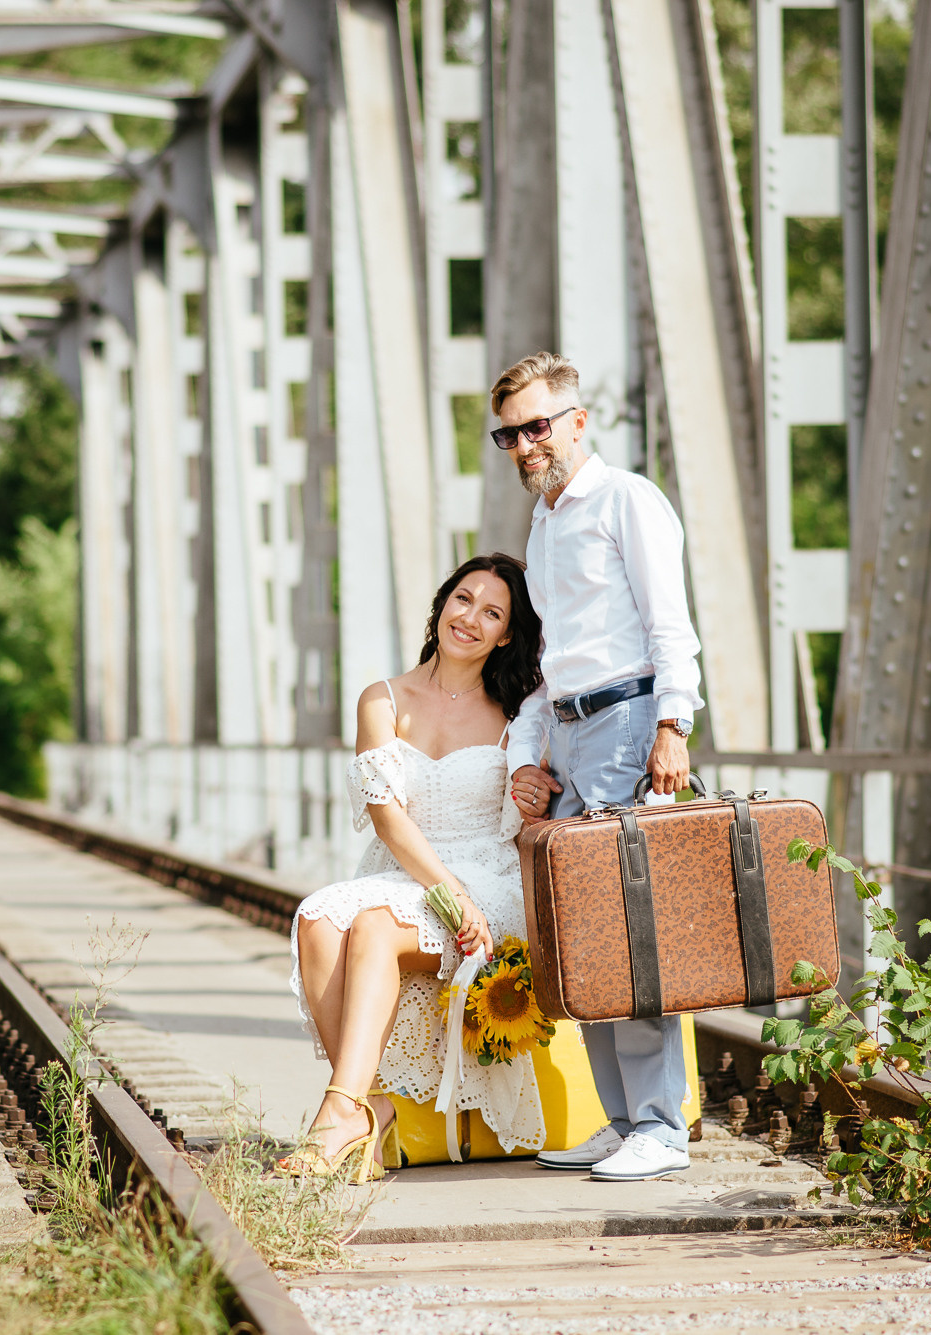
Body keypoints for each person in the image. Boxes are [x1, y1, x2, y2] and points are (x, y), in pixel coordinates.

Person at [496, 350, 707, 1182]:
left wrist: (672, 723)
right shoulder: (545, 523)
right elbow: (553, 658)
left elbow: (669, 623)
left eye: (537, 426)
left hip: (627, 720)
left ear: (577, 422)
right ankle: (620, 1121)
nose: (524, 444)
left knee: (631, 929)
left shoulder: (627, 500)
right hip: (575, 731)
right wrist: (533, 750)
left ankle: (661, 1124)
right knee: (581, 928)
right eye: (509, 433)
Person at [282, 553, 545, 1184]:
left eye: (492, 613)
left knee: (374, 925)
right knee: (316, 916)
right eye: (463, 600)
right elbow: (388, 819)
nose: (471, 619)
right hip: (412, 870)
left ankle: (339, 1116)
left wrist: (531, 788)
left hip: (488, 877)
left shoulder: (520, 711)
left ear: (506, 633)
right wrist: (448, 895)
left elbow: (535, 801)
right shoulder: (383, 699)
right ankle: (365, 1105)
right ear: (441, 605)